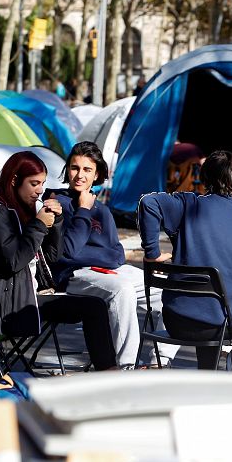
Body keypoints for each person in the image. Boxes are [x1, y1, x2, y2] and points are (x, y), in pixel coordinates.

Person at [138, 150, 232, 370]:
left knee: (212, 307)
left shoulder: (189, 205)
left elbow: (148, 202)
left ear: (205, 177)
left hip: (176, 319)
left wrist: (152, 253)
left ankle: (207, 374)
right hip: (222, 324)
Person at [0, 151, 116, 370]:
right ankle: (109, 373)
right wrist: (38, 225)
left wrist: (55, 222)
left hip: (31, 293)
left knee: (95, 306)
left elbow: (51, 257)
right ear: (14, 181)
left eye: (43, 183)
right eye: (34, 184)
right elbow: (13, 261)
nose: (39, 190)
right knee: (93, 308)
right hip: (8, 304)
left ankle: (109, 372)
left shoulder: (25, 208)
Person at [50, 141, 178, 369]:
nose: (79, 175)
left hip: (112, 270)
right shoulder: (58, 203)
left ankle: (161, 361)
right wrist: (83, 211)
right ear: (67, 170)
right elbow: (68, 252)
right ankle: (126, 366)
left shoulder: (103, 210)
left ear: (97, 174)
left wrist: (90, 253)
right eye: (74, 168)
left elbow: (117, 255)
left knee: (170, 289)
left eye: (87, 169)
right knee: (122, 289)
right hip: (74, 275)